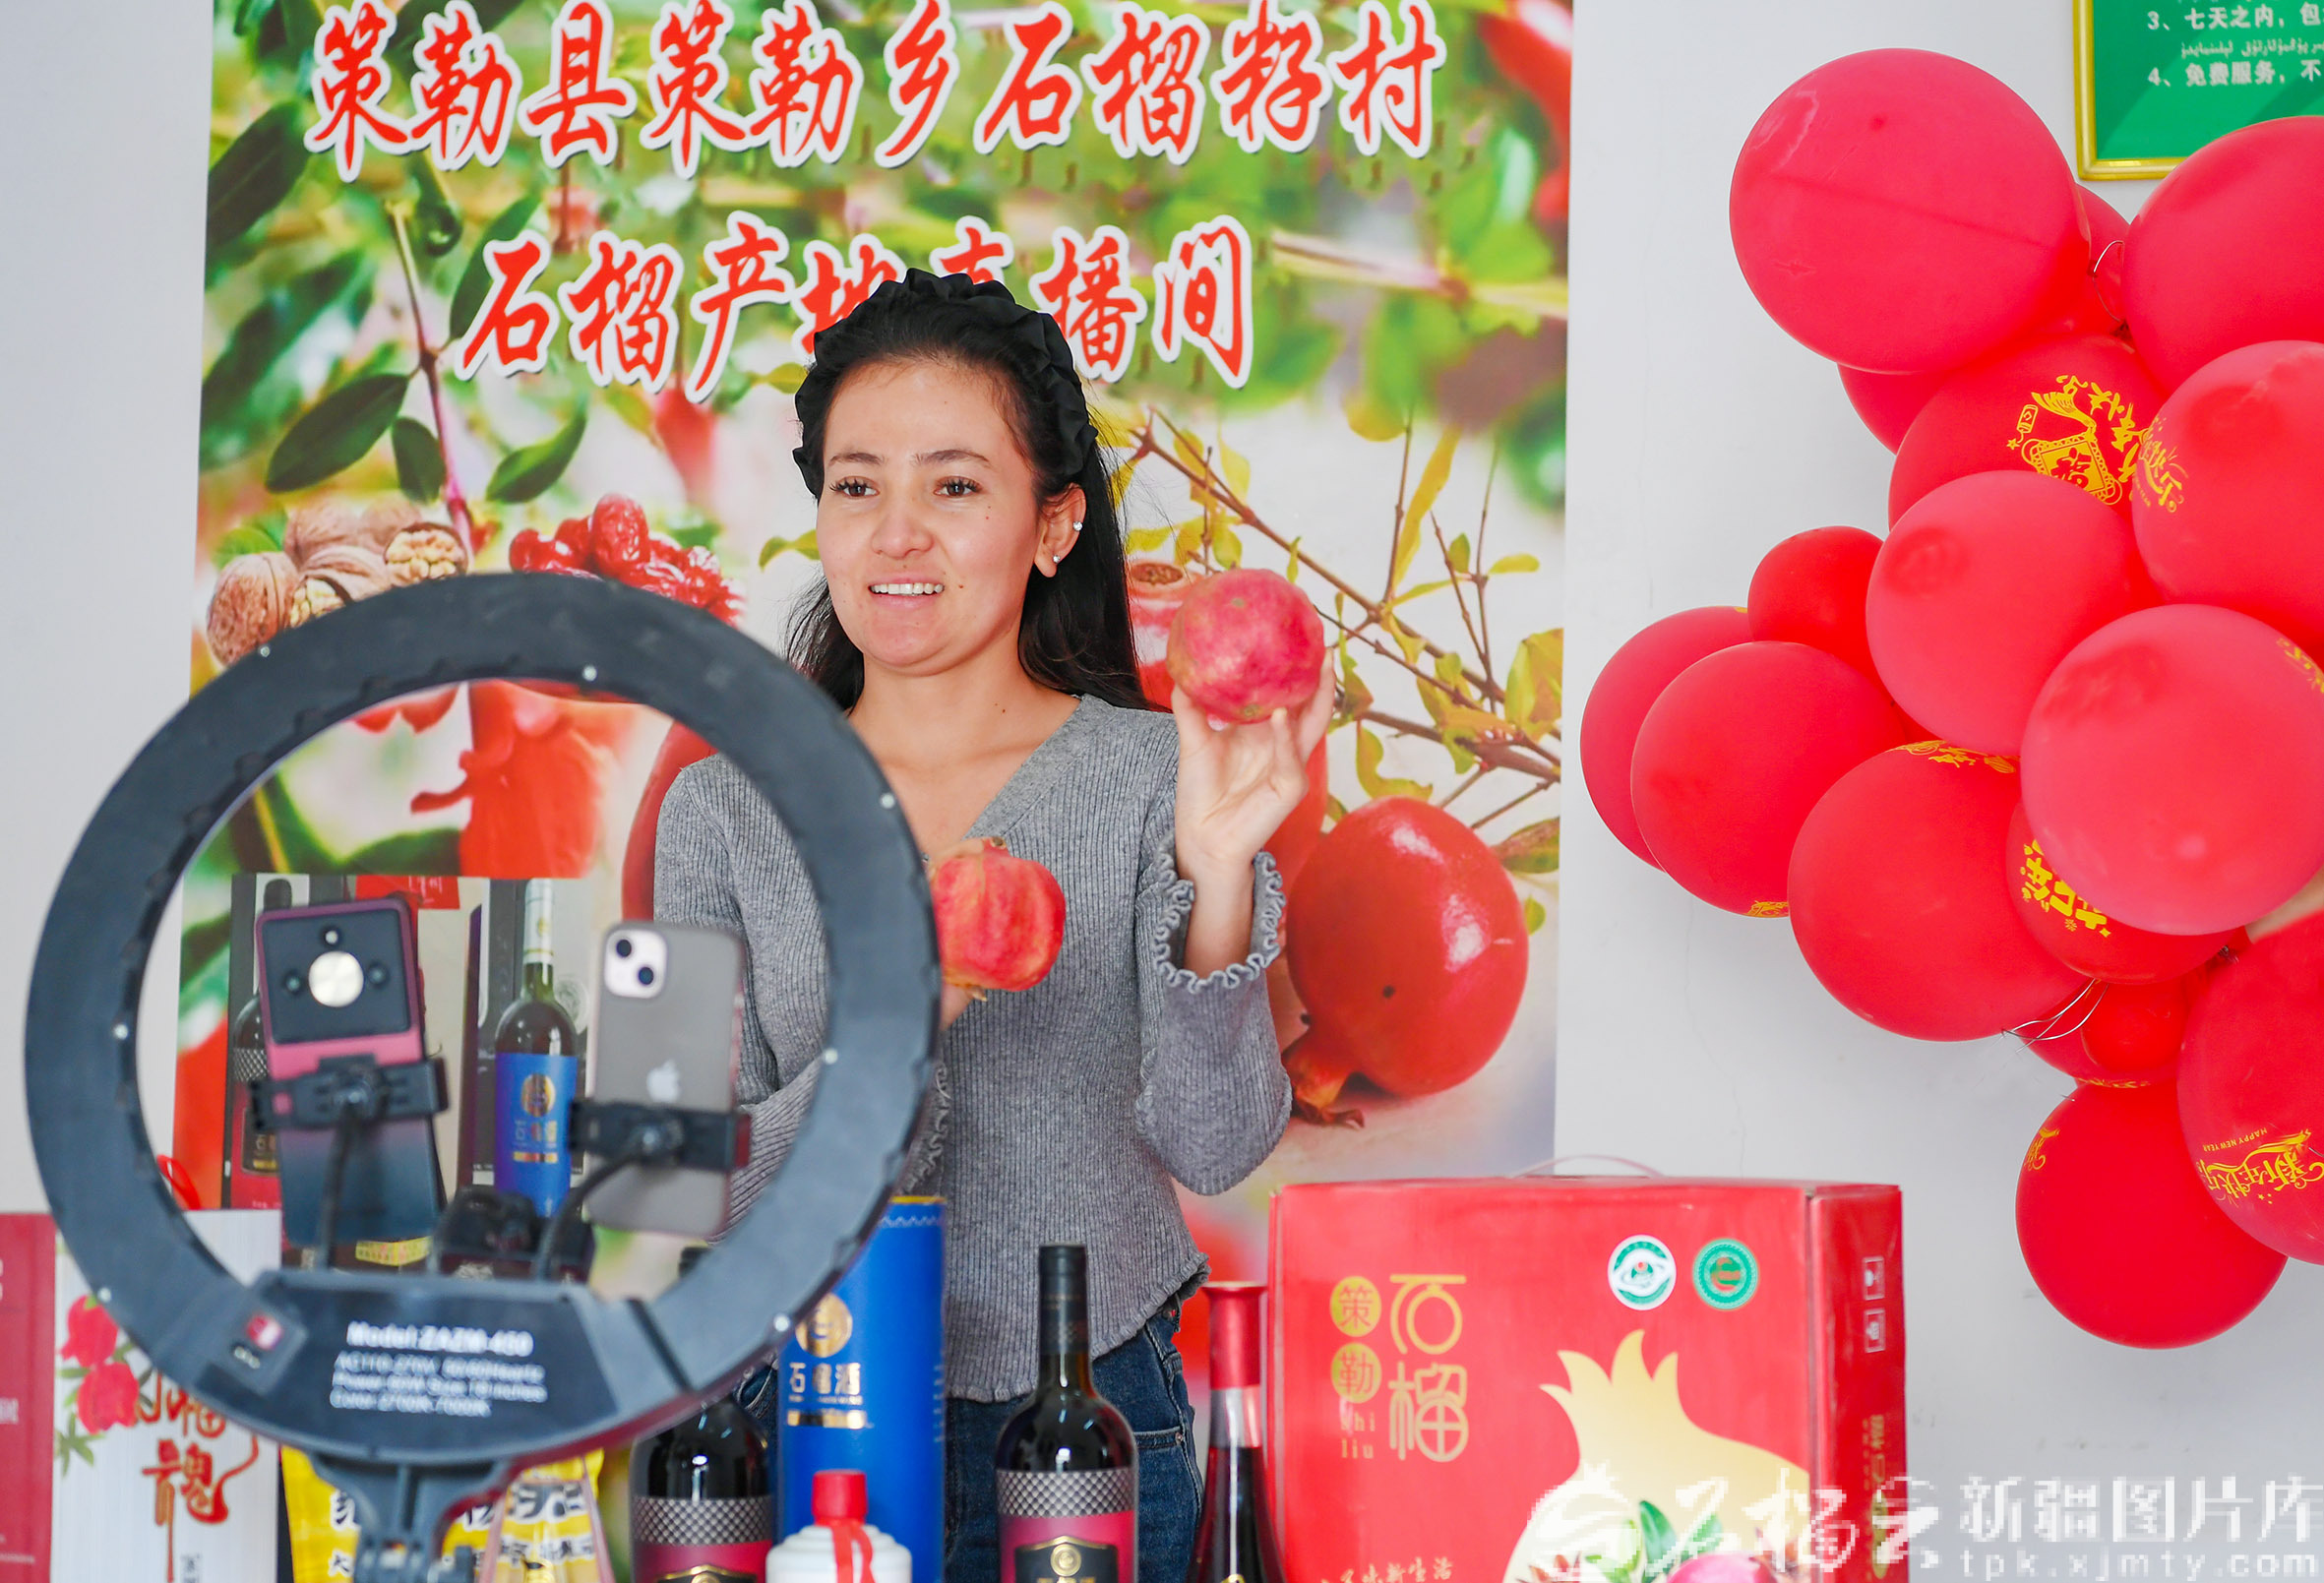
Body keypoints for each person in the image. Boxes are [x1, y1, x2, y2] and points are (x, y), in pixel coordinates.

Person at [653, 269, 1327, 1580]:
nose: (897, 534)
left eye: (954, 486)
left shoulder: (1155, 777)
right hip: (800, 1414)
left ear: (1053, 523)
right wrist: (914, 1014)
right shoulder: (721, 807)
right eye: (857, 486)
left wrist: (1218, 872)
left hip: (1089, 1418)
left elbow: (1215, 1144)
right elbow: (681, 1179)